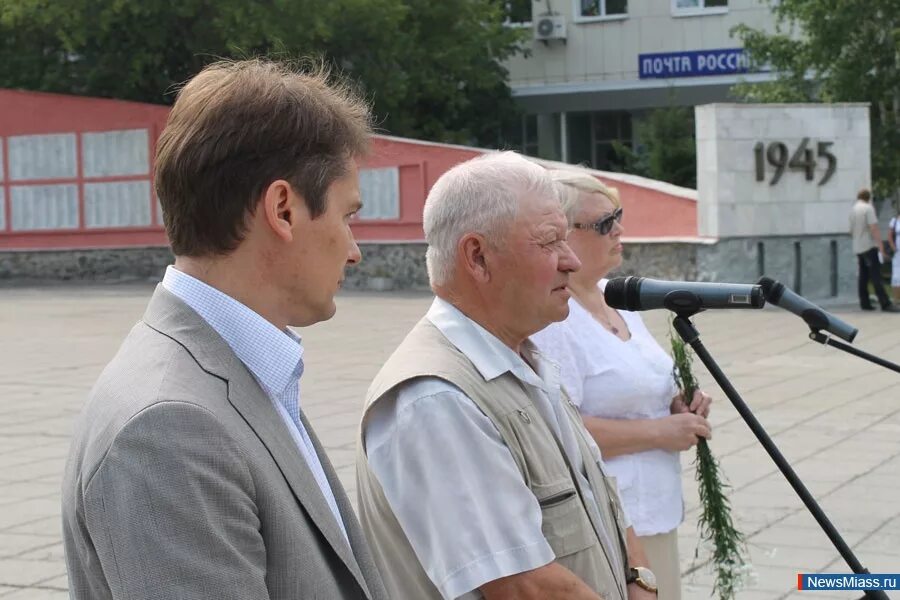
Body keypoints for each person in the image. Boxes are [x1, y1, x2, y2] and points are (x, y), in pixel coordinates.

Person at [62, 59, 388, 600]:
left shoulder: (236, 367)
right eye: (348, 215)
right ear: (283, 209)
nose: (354, 251)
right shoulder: (170, 427)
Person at [356, 151, 657, 600]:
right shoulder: (435, 398)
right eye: (550, 241)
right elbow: (525, 587)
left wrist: (640, 582)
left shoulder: (522, 359)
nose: (571, 261)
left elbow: (607, 504)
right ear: (477, 257)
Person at [529, 170, 713, 600]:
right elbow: (559, 430)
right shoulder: (556, 317)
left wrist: (678, 404)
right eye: (603, 223)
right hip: (609, 522)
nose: (619, 229)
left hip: (657, 507)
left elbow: (641, 379)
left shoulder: (618, 297)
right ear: (562, 235)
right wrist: (660, 433)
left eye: (618, 216)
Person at [849, 188, 899, 312]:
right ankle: (885, 303)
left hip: (858, 246)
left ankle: (864, 302)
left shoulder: (853, 209)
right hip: (869, 246)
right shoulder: (868, 208)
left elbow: (850, 230)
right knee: (876, 275)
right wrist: (881, 247)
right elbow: (874, 228)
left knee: (863, 276)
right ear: (868, 197)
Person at [889, 206, 900, 302]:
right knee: (896, 276)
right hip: (898, 252)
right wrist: (893, 248)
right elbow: (890, 236)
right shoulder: (894, 221)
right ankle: (896, 299)